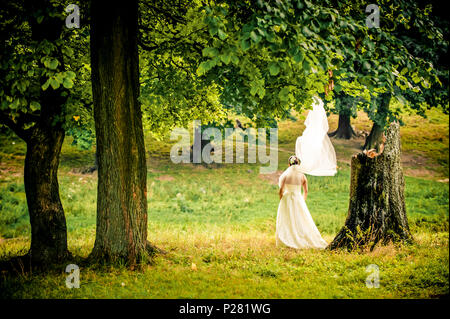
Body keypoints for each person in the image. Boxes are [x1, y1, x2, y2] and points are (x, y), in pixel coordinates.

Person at [276, 155, 328, 249]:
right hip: (298, 199)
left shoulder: (286, 175)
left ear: (289, 165)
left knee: (287, 219)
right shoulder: (302, 176)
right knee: (301, 219)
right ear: (298, 164)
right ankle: (302, 237)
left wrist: (282, 199)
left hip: (287, 199)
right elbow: (306, 191)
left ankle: (288, 238)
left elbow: (281, 190)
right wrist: (302, 200)